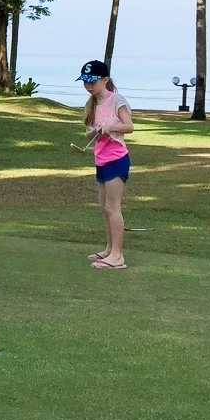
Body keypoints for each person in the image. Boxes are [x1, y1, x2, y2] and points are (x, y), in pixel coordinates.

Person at [78, 59, 133, 269]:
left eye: (93, 81)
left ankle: (118, 257)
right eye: (85, 81)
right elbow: (89, 132)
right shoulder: (92, 104)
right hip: (100, 159)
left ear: (105, 80)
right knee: (104, 207)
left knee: (113, 207)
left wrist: (111, 126)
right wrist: (96, 130)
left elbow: (129, 126)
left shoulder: (116, 100)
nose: (89, 85)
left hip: (117, 159)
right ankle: (109, 249)